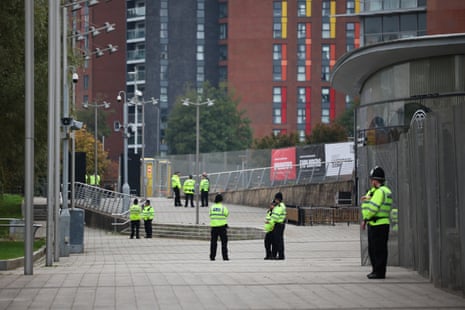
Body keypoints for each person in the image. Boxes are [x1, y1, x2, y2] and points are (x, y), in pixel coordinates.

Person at [361, 166, 393, 279]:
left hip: (377, 223)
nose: (371, 182)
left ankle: (378, 272)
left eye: (372, 179)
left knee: (377, 249)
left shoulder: (379, 192)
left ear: (376, 180)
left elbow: (373, 208)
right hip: (381, 223)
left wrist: (366, 218)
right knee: (378, 249)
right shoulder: (384, 191)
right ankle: (377, 271)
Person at [209, 194, 229, 261]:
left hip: (214, 227)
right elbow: (226, 214)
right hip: (222, 227)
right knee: (224, 243)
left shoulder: (212, 208)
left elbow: (210, 215)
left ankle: (212, 256)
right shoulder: (223, 208)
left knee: (213, 243)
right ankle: (225, 257)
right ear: (221, 200)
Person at [270, 192, 286, 260]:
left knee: (278, 241)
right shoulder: (279, 205)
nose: (275, 201)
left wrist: (272, 209)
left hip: (278, 225)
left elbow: (275, 217)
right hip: (279, 224)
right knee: (277, 240)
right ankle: (276, 255)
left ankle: (280, 256)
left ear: (278, 199)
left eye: (275, 199)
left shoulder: (279, 207)